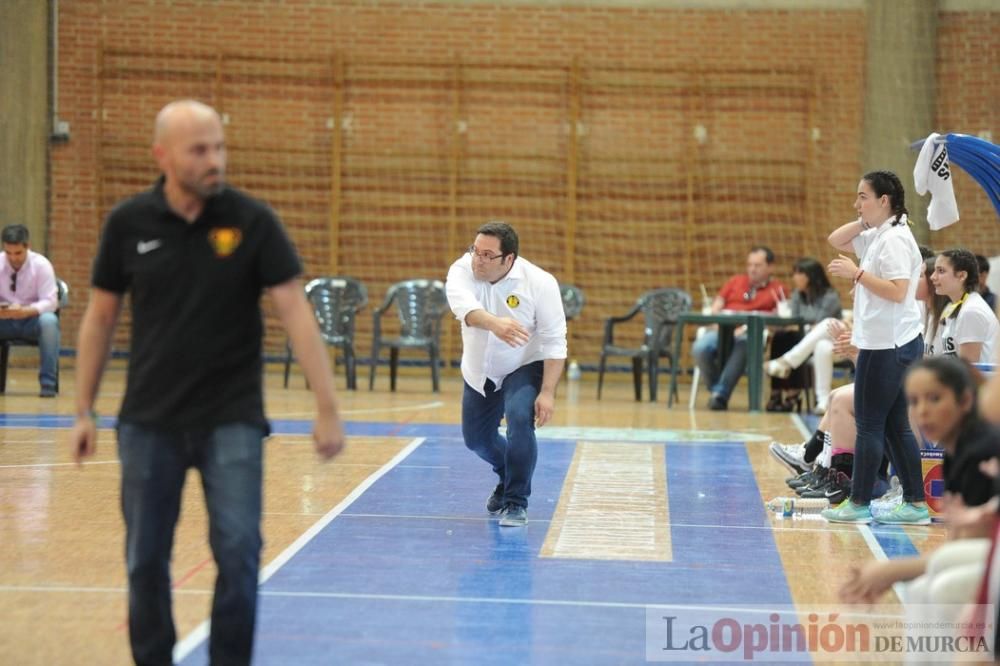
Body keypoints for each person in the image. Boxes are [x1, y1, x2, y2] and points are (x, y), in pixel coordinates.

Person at [69, 100, 346, 665]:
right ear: (162, 155)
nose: (214, 159)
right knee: (145, 559)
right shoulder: (129, 223)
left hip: (233, 419)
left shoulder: (252, 220)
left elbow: (295, 311)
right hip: (149, 422)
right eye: (199, 150)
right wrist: (83, 409)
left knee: (241, 553)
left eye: (219, 146)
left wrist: (327, 406)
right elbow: (99, 318)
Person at [839, 357, 999, 628]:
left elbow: (973, 549)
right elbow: (960, 545)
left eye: (935, 398)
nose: (922, 411)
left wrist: (890, 571)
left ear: (966, 401)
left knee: (943, 589)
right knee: (922, 590)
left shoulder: (980, 451)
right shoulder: (956, 451)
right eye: (914, 402)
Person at [821, 170, 929, 525]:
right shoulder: (881, 233)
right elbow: (836, 239)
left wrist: (857, 274)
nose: (856, 203)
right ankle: (915, 503)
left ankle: (859, 501)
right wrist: (863, 218)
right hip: (891, 343)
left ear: (885, 201)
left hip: (888, 346)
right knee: (896, 425)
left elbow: (899, 290)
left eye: (863, 197)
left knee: (870, 424)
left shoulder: (895, 239)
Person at [446, 221, 567, 527]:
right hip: (479, 371)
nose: (478, 260)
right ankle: (506, 472)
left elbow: (555, 340)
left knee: (518, 419)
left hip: (524, 363)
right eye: (476, 251)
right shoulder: (461, 270)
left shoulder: (540, 283)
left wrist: (548, 392)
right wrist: (495, 323)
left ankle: (515, 501)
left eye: (488, 255)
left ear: (508, 259)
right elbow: (464, 307)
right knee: (476, 440)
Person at [691, 246, 787, 411]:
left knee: (746, 342)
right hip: (721, 331)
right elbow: (716, 308)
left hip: (750, 335)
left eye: (757, 265)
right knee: (700, 347)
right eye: (750, 264)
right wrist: (718, 325)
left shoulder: (778, 289)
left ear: (770, 267)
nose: (752, 269)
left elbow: (781, 320)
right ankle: (718, 391)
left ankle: (720, 394)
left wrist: (747, 328)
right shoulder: (734, 281)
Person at [763, 257, 842, 414]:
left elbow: (819, 325)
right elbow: (794, 320)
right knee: (785, 337)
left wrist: (805, 326)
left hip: (835, 339)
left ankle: (786, 362)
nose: (795, 277)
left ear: (812, 276)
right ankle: (822, 402)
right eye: (794, 273)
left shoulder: (830, 297)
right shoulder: (798, 295)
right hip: (813, 342)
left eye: (800, 273)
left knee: (826, 324)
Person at [0, 223, 61, 397]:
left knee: (49, 321)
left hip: (31, 322)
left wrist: (27, 311)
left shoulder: (41, 265)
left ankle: (48, 385)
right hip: (4, 322)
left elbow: (51, 302)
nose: (13, 258)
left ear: (28, 246)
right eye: (8, 253)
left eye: (18, 253)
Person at [928, 248, 999, 363]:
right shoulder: (955, 306)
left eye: (941, 271)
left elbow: (968, 369)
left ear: (961, 276)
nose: (933, 277)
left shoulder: (971, 311)